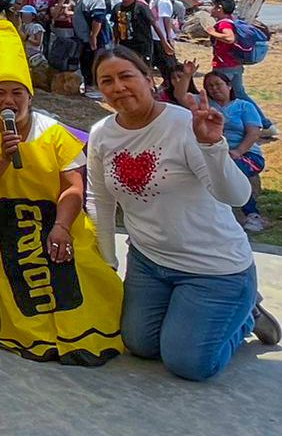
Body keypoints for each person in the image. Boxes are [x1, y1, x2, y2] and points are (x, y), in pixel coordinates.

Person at [87, 47, 280, 380]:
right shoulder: (102, 134)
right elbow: (99, 199)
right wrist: (108, 260)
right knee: (141, 345)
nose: (117, 87)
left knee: (187, 363)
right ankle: (200, 317)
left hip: (213, 268)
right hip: (149, 263)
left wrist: (213, 147)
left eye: (126, 76)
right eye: (107, 80)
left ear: (149, 80)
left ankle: (246, 313)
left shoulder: (184, 125)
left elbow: (236, 194)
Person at [0, 19, 124, 365]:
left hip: (59, 219)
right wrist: (4, 156)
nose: (9, 100)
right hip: (4, 225)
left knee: (86, 287)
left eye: (17, 93)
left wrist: (61, 226)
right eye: (0, 92)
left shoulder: (55, 132)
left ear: (30, 96)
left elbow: (74, 187)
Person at [203, 69, 267, 233]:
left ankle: (252, 214)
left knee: (232, 171)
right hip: (217, 154)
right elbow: (182, 96)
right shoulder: (208, 107)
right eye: (210, 86)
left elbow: (254, 132)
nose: (215, 89)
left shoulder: (244, 106)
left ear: (229, 86)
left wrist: (238, 151)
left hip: (247, 154)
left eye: (218, 84)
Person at [206, 0, 273, 132]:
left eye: (212, 6)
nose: (210, 9)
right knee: (240, 94)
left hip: (224, 67)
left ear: (219, 8)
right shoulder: (232, 20)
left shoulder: (223, 23)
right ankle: (264, 124)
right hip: (235, 65)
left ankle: (218, 124)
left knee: (215, 93)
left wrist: (212, 32)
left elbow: (229, 38)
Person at [111, 0, 166, 78]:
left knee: (144, 71)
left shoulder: (141, 7)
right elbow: (115, 26)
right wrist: (114, 44)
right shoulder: (116, 8)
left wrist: (164, 42)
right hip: (125, 46)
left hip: (142, 46)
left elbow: (154, 24)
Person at [73, 0, 110, 97]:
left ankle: (95, 87)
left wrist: (93, 36)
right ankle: (89, 84)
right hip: (84, 38)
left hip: (95, 39)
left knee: (94, 63)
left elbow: (97, 19)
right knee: (86, 62)